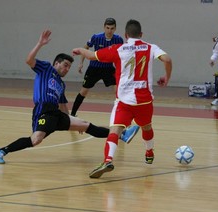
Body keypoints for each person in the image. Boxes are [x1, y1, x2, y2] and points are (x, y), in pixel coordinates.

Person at [0, 30, 139, 164]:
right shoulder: (46, 69)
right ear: (56, 63)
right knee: (35, 140)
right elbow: (29, 60)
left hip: (56, 114)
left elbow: (63, 106)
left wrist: (73, 121)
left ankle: (123, 134)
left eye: (69, 67)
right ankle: (1, 151)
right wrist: (40, 44)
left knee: (86, 125)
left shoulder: (61, 85)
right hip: (43, 110)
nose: (67, 69)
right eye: (65, 65)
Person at [72, 19, 172, 178]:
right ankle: (149, 151)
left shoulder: (119, 48)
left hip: (125, 100)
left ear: (126, 35)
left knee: (115, 130)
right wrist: (166, 77)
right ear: (141, 34)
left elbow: (91, 56)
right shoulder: (151, 47)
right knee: (146, 127)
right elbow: (167, 59)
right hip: (145, 100)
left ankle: (108, 160)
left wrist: (79, 50)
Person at [70, 17, 124, 117]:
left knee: (118, 91)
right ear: (104, 27)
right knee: (83, 92)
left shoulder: (118, 39)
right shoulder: (96, 37)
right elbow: (85, 48)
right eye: (107, 28)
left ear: (115, 29)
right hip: (94, 68)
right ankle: (72, 114)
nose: (109, 31)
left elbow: (121, 55)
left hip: (108, 69)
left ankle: (120, 116)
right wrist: (81, 63)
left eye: (112, 28)